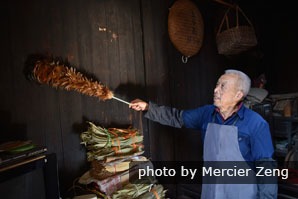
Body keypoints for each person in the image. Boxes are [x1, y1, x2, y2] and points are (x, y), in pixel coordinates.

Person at [129, 69, 277, 199]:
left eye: (222, 87)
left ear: (238, 94)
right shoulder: (207, 113)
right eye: (217, 85)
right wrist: (148, 107)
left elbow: (266, 168)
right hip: (211, 191)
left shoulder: (256, 123)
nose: (215, 90)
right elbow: (177, 117)